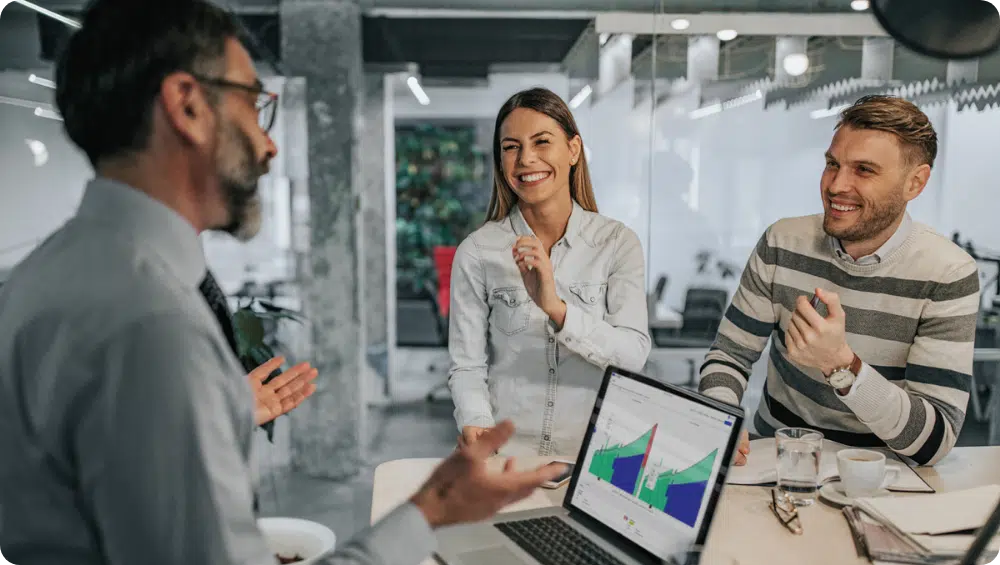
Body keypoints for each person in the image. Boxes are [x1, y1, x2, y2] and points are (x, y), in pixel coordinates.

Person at [0, 1, 564, 564]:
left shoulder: (51, 272)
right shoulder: (151, 323)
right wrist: (434, 507)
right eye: (253, 103)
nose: (269, 145)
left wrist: (216, 409)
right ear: (187, 106)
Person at [698, 95, 980, 467]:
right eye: (833, 164)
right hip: (775, 464)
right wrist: (722, 416)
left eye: (863, 170)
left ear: (915, 183)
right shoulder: (782, 242)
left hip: (881, 480)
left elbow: (935, 439)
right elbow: (729, 356)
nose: (835, 185)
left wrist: (840, 366)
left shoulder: (948, 274)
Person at [448, 87, 651, 458]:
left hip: (596, 458)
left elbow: (633, 354)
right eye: (511, 147)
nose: (526, 158)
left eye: (542, 142)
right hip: (508, 458)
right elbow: (467, 366)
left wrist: (556, 308)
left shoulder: (617, 243)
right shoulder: (477, 252)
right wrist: (476, 422)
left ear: (573, 150)